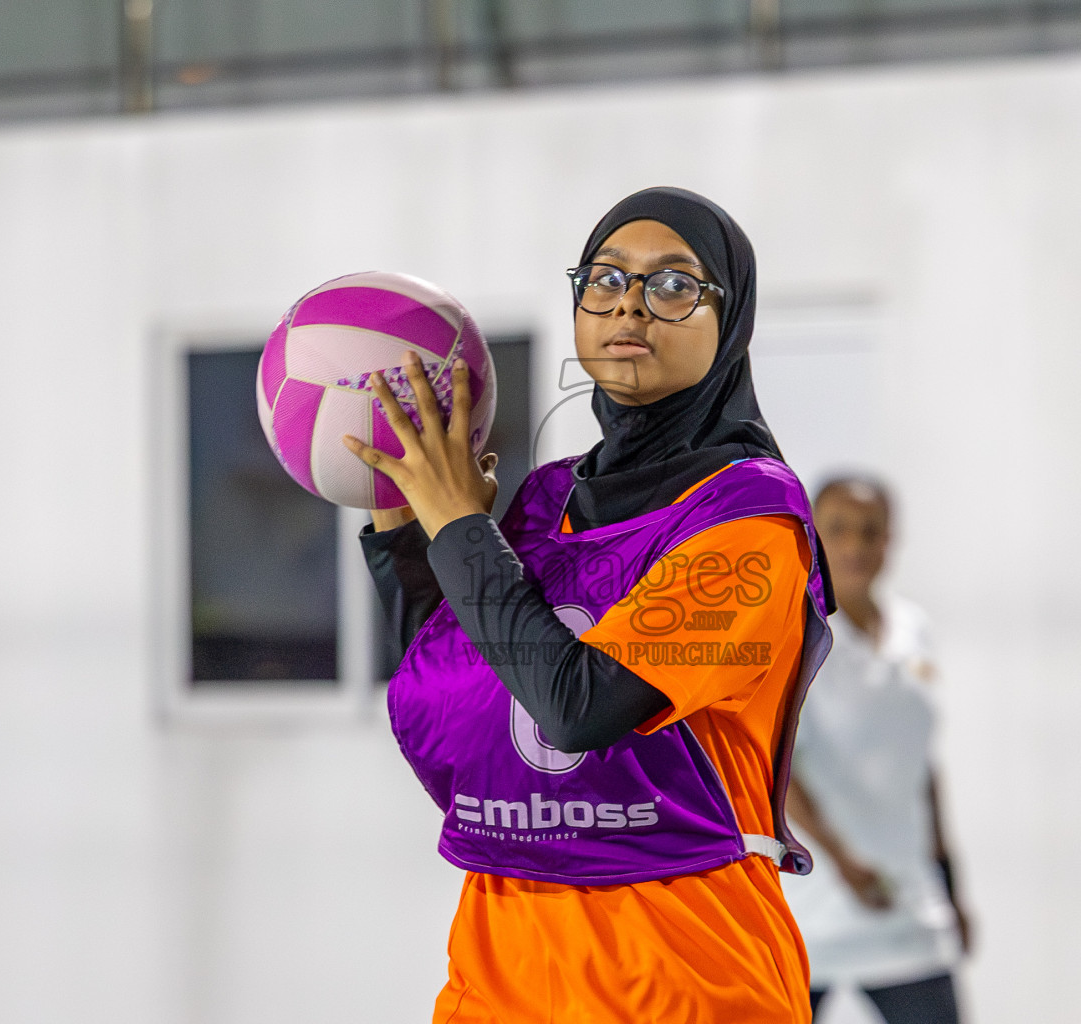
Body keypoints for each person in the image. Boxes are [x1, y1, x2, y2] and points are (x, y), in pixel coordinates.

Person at [345, 187, 835, 1023]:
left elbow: (580, 708)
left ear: (732, 324)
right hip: (499, 982)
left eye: (675, 285)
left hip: (682, 986)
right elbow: (464, 715)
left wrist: (461, 528)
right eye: (603, 280)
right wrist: (406, 536)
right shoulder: (541, 502)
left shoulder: (751, 523)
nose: (629, 307)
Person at [781, 476, 972, 1024]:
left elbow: (920, 764)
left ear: (891, 538)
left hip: (906, 907)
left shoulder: (914, 631)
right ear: (813, 534)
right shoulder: (796, 634)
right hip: (811, 913)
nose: (855, 546)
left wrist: (949, 882)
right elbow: (780, 771)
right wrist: (844, 863)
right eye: (838, 530)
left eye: (871, 532)